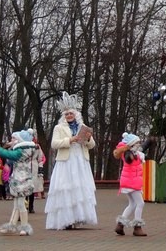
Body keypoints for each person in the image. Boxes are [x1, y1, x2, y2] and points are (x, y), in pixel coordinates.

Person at [45, 91, 97, 230]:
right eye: (66, 114)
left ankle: (79, 217)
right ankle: (65, 219)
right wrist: (70, 140)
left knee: (80, 189)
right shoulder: (59, 127)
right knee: (66, 188)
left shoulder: (82, 127)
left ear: (76, 114)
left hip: (81, 161)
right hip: (66, 161)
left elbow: (92, 145)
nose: (69, 116)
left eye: (71, 113)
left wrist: (87, 138)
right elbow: (54, 144)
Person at [0, 129, 38, 236]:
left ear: (20, 140)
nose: (12, 140)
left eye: (14, 138)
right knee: (17, 204)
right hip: (19, 179)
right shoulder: (24, 150)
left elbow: (7, 154)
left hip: (21, 180)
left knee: (20, 204)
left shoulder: (21, 151)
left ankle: (25, 227)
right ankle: (12, 225)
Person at [113, 132, 152, 237]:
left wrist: (149, 141)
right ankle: (137, 227)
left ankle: (120, 225)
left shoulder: (134, 153)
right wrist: (130, 151)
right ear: (131, 145)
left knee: (132, 204)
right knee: (140, 203)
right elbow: (129, 159)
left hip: (128, 182)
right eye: (137, 143)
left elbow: (142, 149)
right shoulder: (129, 154)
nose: (139, 145)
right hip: (132, 183)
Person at [27, 131, 45, 214]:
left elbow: (40, 158)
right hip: (25, 166)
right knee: (25, 187)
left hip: (34, 167)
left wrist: (40, 170)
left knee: (32, 187)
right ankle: (25, 205)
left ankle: (31, 206)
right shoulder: (24, 146)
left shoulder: (37, 147)